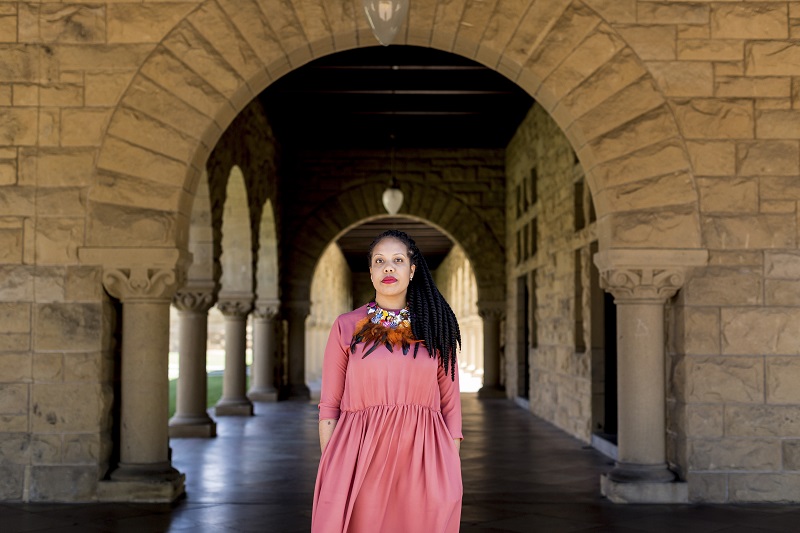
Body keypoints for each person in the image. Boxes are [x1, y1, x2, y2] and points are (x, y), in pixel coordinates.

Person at [312, 229, 463, 533]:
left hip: (423, 460)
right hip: (361, 457)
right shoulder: (346, 326)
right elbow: (329, 405)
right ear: (370, 273)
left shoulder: (436, 328)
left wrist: (448, 468)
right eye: (379, 261)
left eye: (397, 260)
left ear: (412, 270)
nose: (389, 267)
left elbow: (451, 405)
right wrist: (334, 467)